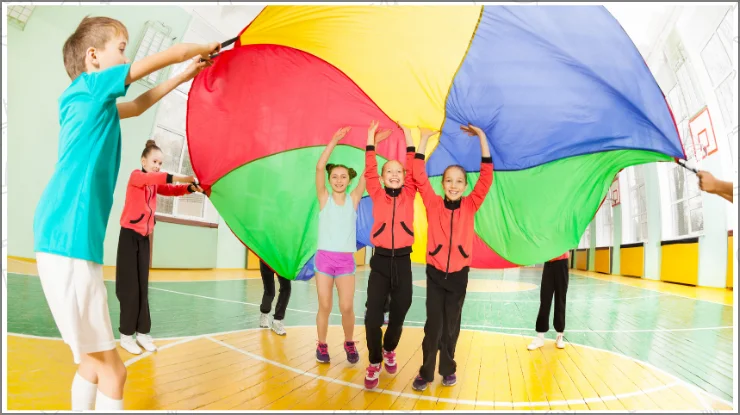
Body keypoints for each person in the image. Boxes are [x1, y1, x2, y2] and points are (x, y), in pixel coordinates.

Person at [32, 15, 219, 410]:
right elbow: (158, 59)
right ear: (93, 57)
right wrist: (202, 48)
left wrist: (185, 75)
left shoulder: (83, 102)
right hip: (70, 242)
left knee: (89, 364)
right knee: (114, 371)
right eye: (122, 47)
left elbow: (136, 105)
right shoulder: (91, 86)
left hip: (55, 239)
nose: (127, 55)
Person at [410, 124, 493, 392]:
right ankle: (425, 371)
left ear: (465, 186)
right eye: (449, 180)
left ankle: (448, 369)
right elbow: (418, 175)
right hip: (435, 275)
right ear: (442, 184)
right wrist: (423, 140)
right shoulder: (433, 203)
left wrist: (482, 137)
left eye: (459, 181)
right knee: (432, 327)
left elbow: (487, 178)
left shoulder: (470, 205)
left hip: (459, 276)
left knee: (450, 328)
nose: (454, 185)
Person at [116, 140, 203, 355]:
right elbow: (156, 178)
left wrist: (192, 187)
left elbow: (171, 190)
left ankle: (143, 333)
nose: (157, 165)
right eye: (154, 161)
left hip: (144, 239)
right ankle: (126, 336)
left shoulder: (154, 184)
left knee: (143, 289)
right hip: (128, 237)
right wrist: (184, 176)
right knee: (129, 289)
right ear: (143, 161)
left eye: (160, 162)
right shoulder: (137, 177)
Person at [363, 121, 422, 390]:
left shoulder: (410, 193)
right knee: (372, 316)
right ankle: (375, 361)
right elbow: (369, 171)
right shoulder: (376, 192)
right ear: (383, 176)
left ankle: (389, 348)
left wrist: (410, 139)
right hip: (381, 261)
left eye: (399, 171)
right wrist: (370, 140)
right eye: (390, 171)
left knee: (400, 310)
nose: (395, 174)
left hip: (403, 261)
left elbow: (413, 171)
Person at [314, 126, 368, 365]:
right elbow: (318, 167)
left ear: (349, 180)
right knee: (324, 304)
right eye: (334, 176)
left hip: (345, 260)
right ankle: (322, 344)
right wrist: (334, 140)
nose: (338, 180)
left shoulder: (354, 199)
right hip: (324, 259)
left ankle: (349, 341)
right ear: (329, 180)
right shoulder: (324, 198)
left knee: (346, 306)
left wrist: (372, 142)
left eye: (343, 176)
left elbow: (369, 172)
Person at [527, 252, 570, 351]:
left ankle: (560, 335)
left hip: (562, 263)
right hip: (549, 263)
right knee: (545, 299)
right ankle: (540, 337)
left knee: (560, 299)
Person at [259, 259, 291, 336]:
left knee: (286, 288)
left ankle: (277, 321)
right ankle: (264, 313)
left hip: (282, 260)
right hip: (266, 257)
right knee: (269, 290)